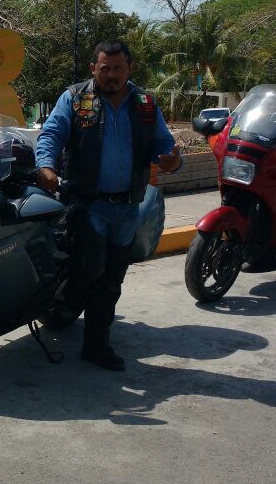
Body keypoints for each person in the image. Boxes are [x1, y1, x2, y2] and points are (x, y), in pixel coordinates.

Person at [34, 40, 181, 371]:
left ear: (129, 69)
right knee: (88, 269)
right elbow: (51, 135)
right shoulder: (75, 98)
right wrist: (46, 164)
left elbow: (164, 146)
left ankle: (96, 345)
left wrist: (171, 159)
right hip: (86, 204)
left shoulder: (144, 104)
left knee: (112, 277)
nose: (111, 75)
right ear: (93, 69)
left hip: (127, 207)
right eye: (105, 69)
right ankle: (59, 308)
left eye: (118, 68)